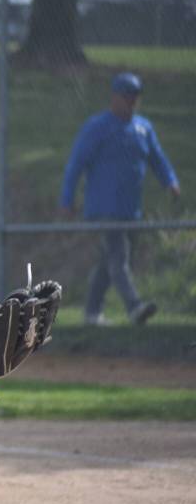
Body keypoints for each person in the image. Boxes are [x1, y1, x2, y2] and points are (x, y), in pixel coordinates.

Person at [60, 72, 181, 326]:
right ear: (114, 98)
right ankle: (135, 307)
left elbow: (157, 159)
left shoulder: (143, 128)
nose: (131, 102)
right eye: (126, 96)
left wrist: (170, 181)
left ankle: (92, 314)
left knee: (109, 261)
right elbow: (76, 164)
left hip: (131, 209)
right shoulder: (97, 127)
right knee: (119, 256)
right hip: (103, 208)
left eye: (135, 97)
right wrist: (67, 199)